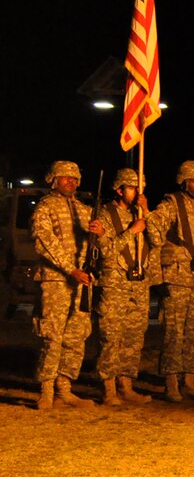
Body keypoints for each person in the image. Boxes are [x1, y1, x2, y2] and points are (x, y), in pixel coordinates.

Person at [30, 160, 104, 409]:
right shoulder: (45, 208)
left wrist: (101, 232)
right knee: (52, 335)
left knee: (76, 336)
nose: (70, 182)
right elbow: (44, 242)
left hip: (82, 282)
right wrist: (70, 269)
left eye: (74, 178)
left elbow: (100, 244)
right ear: (53, 179)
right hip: (56, 280)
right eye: (64, 178)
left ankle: (65, 387)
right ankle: (47, 390)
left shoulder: (84, 210)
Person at [146, 160, 194, 402]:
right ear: (183, 181)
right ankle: (170, 383)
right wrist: (159, 275)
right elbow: (153, 231)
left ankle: (188, 380)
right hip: (176, 278)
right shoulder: (171, 204)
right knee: (174, 333)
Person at [95, 168, 155, 406]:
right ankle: (108, 388)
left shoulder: (142, 213)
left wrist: (147, 212)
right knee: (111, 336)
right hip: (115, 282)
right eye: (132, 188)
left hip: (139, 284)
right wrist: (131, 232)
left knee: (134, 337)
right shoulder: (106, 214)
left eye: (141, 187)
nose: (137, 192)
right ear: (119, 189)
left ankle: (126, 384)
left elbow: (159, 239)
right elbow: (106, 250)